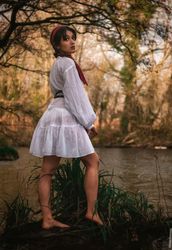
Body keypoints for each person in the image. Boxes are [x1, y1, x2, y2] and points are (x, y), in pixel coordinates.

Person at [29, 25, 103, 230]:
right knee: (93, 162)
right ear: (57, 44)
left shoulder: (57, 64)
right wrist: (89, 122)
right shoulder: (68, 65)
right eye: (66, 39)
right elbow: (75, 97)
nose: (72, 42)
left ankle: (47, 218)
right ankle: (91, 212)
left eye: (73, 38)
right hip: (65, 115)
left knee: (46, 171)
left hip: (53, 113)